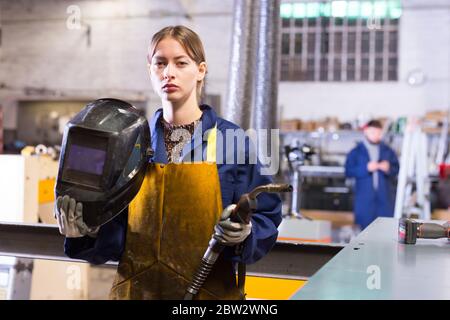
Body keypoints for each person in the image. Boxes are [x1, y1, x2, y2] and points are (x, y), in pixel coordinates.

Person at [54, 25, 282, 300]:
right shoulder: (128, 143)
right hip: (137, 293)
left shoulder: (232, 141)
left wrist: (246, 233)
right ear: (150, 69)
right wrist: (86, 232)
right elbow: (113, 238)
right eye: (160, 63)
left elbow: (266, 214)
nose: (168, 72)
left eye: (181, 63)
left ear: (201, 70)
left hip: (210, 295)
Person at [345, 120, 399, 230]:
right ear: (366, 132)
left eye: (379, 133)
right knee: (364, 236)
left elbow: (396, 169)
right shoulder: (356, 152)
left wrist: (389, 168)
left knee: (386, 233)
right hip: (364, 201)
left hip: (385, 200)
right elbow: (348, 171)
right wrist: (365, 168)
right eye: (373, 132)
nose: (376, 136)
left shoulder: (388, 151)